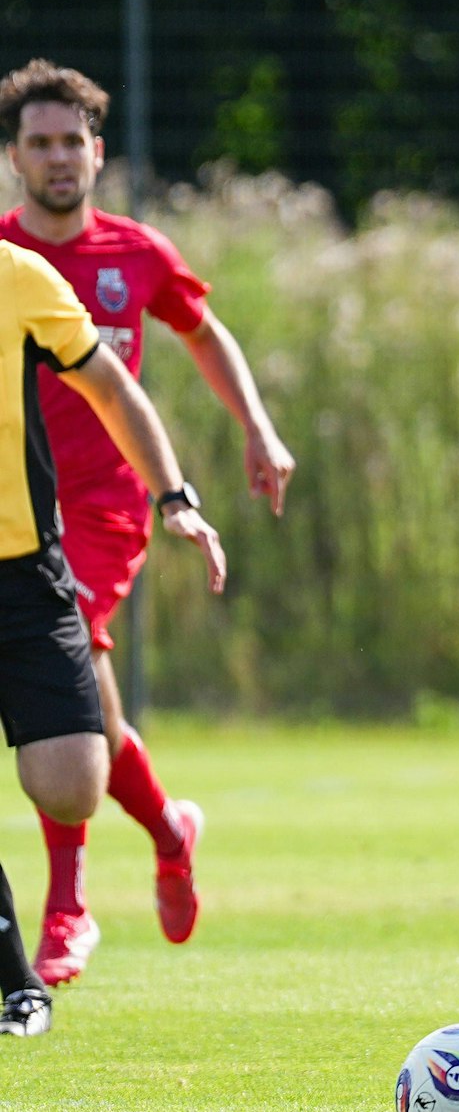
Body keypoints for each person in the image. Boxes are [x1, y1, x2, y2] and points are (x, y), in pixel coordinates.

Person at [0, 59, 294, 985]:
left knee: (73, 665)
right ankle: (169, 827)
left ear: (97, 152)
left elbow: (203, 332)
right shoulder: (3, 260)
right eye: (39, 142)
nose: (58, 157)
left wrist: (256, 427)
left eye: (72, 141)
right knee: (90, 706)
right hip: (20, 511)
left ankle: (67, 909)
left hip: (106, 506)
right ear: (14, 157)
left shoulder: (136, 253)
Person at [0, 238, 228, 1038]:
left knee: (71, 781)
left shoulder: (20, 276)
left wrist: (176, 498)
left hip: (34, 564)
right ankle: (31, 965)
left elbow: (114, 382)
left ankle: (163, 831)